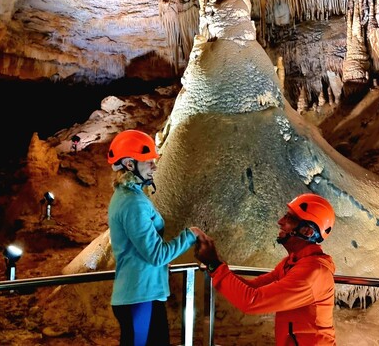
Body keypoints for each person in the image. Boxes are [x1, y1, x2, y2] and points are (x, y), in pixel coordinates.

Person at [107, 129, 206, 346]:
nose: (154, 166)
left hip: (142, 293)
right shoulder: (132, 203)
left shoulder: (128, 196)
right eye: (148, 161)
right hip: (139, 296)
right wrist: (190, 235)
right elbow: (156, 255)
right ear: (130, 164)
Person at [195, 193, 337, 346]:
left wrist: (216, 265)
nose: (280, 222)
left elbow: (252, 301)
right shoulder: (292, 263)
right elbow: (253, 288)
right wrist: (214, 265)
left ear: (307, 232)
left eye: (289, 218)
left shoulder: (312, 273)